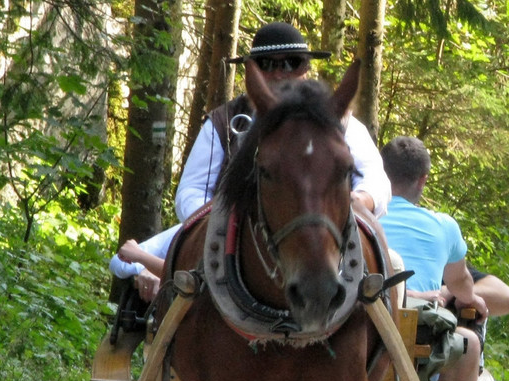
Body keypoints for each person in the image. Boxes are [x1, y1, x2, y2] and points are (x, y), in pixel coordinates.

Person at [110, 21, 392, 301]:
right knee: (124, 262)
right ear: (253, 72)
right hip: (229, 231)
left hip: (326, 231)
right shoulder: (223, 122)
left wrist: (357, 200)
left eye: (292, 63)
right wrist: (225, 219)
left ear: (306, 68)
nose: (280, 73)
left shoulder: (339, 122)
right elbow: (191, 191)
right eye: (267, 64)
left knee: (395, 265)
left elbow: (376, 181)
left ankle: (386, 344)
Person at [379, 136, 487, 381]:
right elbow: (459, 282)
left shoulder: (358, 216)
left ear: (381, 172)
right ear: (423, 179)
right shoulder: (443, 226)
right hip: (415, 349)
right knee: (469, 342)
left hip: (361, 336)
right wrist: (472, 299)